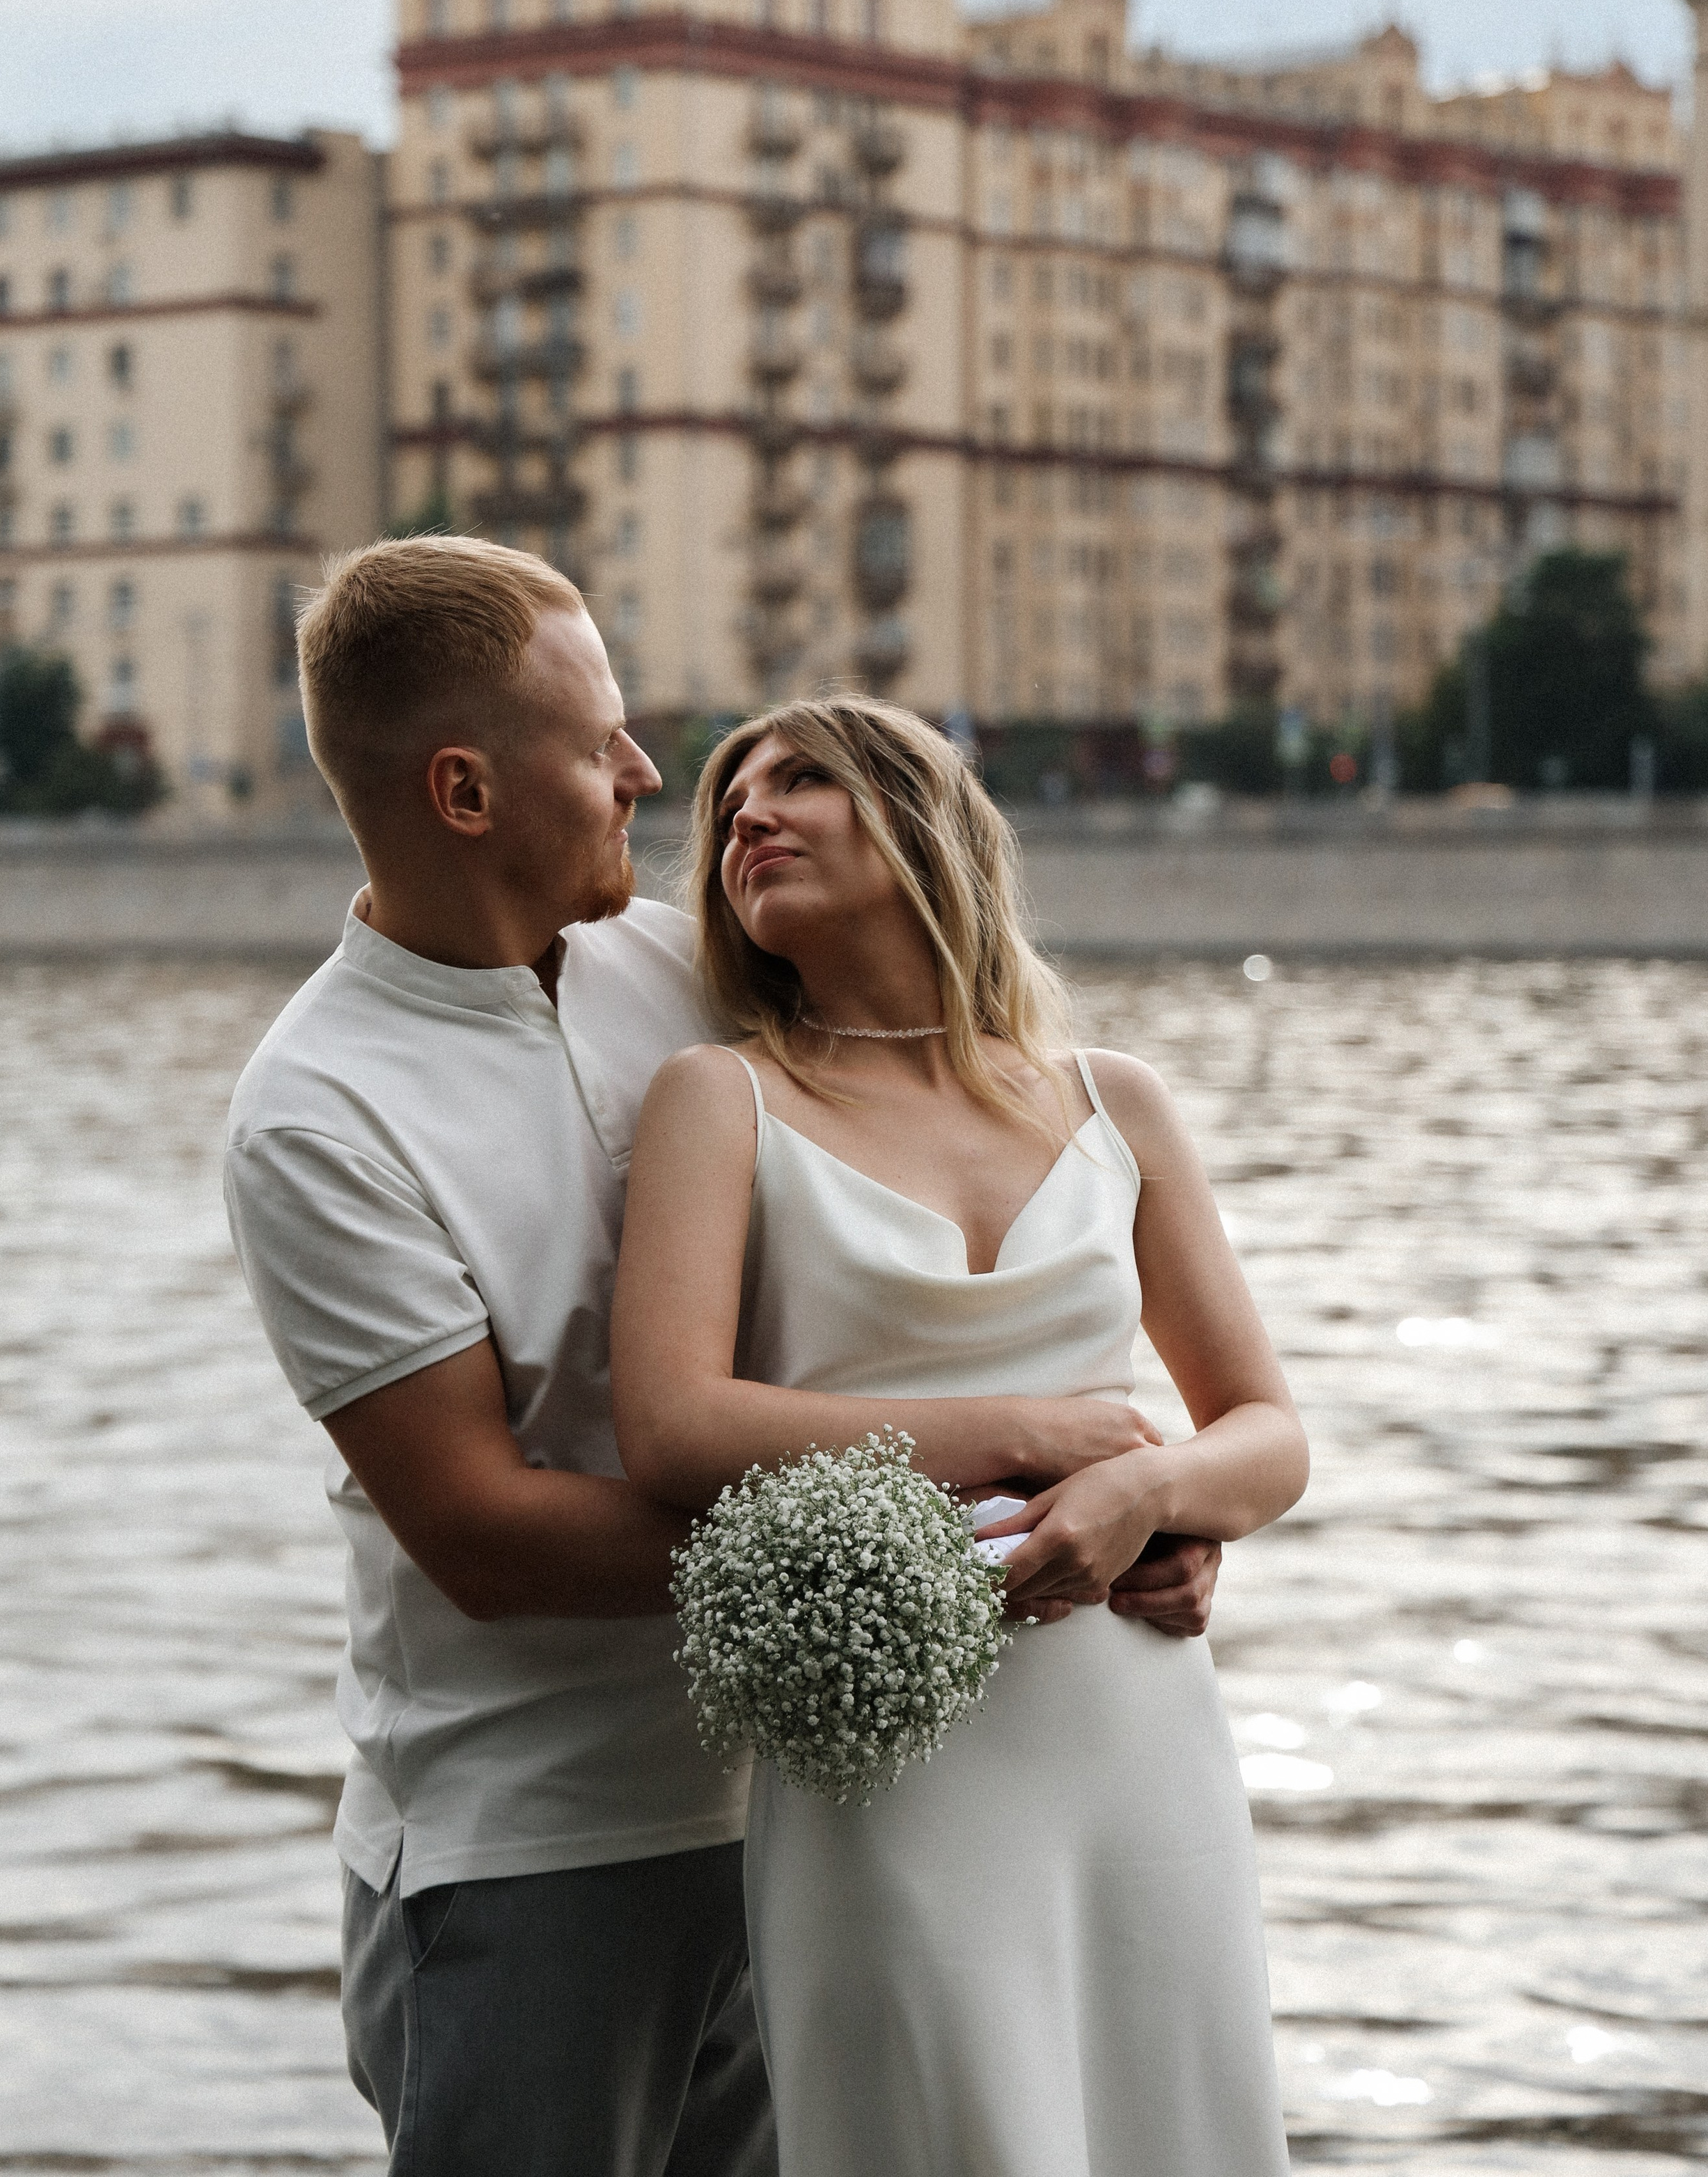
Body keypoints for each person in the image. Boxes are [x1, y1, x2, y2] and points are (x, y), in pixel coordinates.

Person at [224, 539, 1221, 2177]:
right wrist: (1001, 1538)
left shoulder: (694, 976)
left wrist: (1138, 1516)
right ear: (465, 794)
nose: (643, 771)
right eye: (598, 737)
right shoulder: (318, 1115)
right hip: (535, 1849)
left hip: (836, 1806)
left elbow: (972, 1183)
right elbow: (485, 1534)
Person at [611, 695, 1308, 2177]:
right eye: (730, 798)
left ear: (922, 822)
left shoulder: (1114, 1102)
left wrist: (1146, 1494)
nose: (747, 813)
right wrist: (1019, 1429)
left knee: (1168, 2124)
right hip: (887, 1750)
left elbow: (1267, 1437)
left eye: (801, 780)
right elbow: (673, 1429)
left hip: (1135, 1729)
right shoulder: (718, 1098)